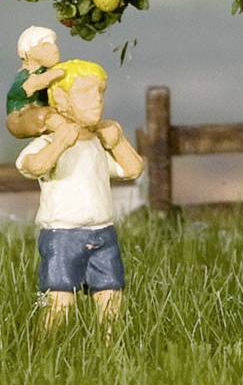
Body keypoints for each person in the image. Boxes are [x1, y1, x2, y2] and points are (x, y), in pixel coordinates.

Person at [14, 58, 145, 327]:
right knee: (58, 300)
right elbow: (32, 166)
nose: (97, 100)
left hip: (103, 233)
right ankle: (44, 348)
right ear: (61, 99)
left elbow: (132, 169)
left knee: (111, 296)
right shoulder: (49, 142)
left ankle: (111, 350)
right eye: (86, 92)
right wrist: (60, 141)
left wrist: (119, 141)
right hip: (63, 236)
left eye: (100, 92)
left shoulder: (96, 144)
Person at [6, 25, 65, 140]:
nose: (54, 48)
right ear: (26, 52)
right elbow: (32, 84)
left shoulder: (48, 70)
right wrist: (58, 73)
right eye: (45, 45)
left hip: (45, 111)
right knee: (48, 117)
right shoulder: (25, 75)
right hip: (20, 118)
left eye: (53, 43)